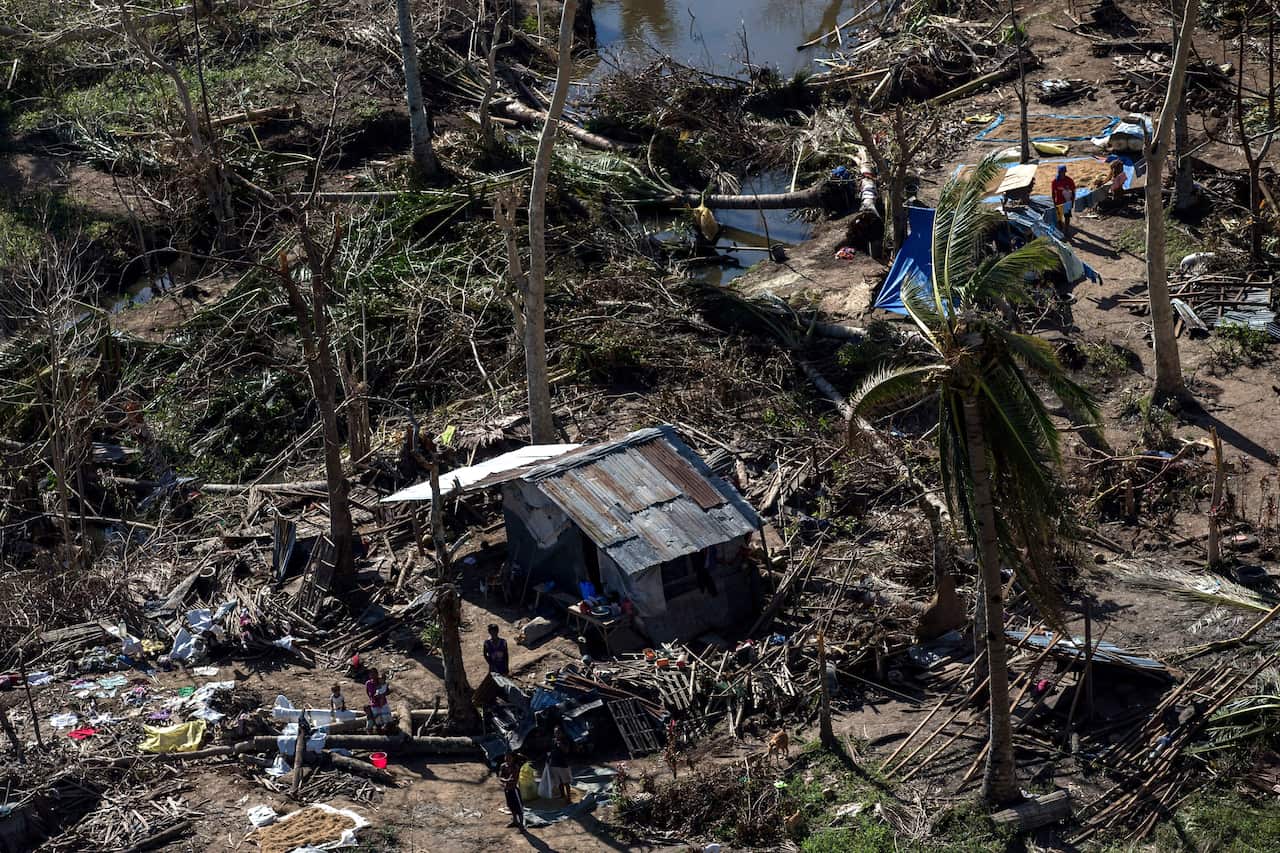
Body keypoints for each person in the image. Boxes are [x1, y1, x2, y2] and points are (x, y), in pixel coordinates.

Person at [498, 751, 526, 830]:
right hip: (507, 790)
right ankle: (515, 821)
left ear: (513, 758)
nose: (507, 759)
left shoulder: (515, 767)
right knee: (511, 806)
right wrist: (506, 780)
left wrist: (505, 780)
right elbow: (501, 777)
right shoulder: (503, 766)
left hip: (514, 790)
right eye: (506, 757)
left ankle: (521, 825)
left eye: (509, 757)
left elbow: (513, 780)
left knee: (519, 809)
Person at [545, 730, 573, 803]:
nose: (557, 734)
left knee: (566, 782)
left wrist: (561, 745)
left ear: (562, 733)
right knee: (559, 782)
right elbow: (551, 751)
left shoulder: (565, 741)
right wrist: (548, 759)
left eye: (558, 732)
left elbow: (566, 751)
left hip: (562, 765)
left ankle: (569, 798)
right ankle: (562, 795)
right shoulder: (553, 741)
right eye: (555, 732)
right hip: (554, 764)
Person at [1051, 165, 1077, 238]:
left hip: (1067, 202)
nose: (1062, 174)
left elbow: (1073, 191)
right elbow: (1053, 193)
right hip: (1058, 202)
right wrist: (1054, 202)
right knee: (1059, 217)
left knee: (1067, 216)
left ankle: (1066, 231)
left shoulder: (1069, 180)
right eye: (1060, 172)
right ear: (1058, 172)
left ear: (1065, 172)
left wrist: (1072, 201)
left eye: (1063, 172)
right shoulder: (1055, 181)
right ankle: (1060, 229)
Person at [365, 668, 392, 733]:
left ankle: (388, 732)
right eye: (371, 674)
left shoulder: (381, 681)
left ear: (377, 674)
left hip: (383, 703)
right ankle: (379, 733)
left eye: (374, 674)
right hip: (375, 704)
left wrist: (382, 694)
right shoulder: (368, 683)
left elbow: (388, 691)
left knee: (387, 721)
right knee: (378, 722)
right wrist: (372, 698)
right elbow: (368, 693)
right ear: (369, 675)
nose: (373, 676)